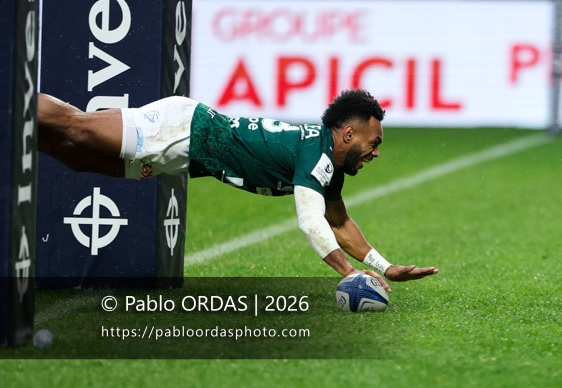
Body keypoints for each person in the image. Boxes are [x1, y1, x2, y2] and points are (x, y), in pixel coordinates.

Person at [36, 89, 438, 289]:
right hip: (181, 127)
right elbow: (311, 220)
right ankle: (14, 97)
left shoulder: (329, 167)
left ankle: (19, 134)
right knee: (77, 126)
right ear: (348, 134)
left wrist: (386, 268)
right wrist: (350, 274)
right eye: (374, 142)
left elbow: (338, 221)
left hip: (181, 158)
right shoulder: (316, 154)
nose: (376, 152)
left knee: (75, 156)